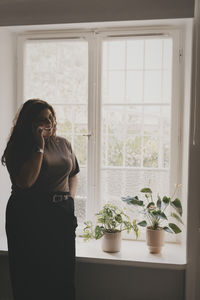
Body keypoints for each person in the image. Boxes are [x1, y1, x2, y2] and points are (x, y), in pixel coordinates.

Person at [1, 99, 80, 300]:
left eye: (51, 117)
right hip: (29, 215)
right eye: (43, 120)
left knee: (62, 275)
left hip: (61, 214)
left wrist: (67, 200)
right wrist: (39, 147)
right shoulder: (18, 147)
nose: (49, 123)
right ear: (29, 122)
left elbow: (73, 174)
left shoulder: (64, 143)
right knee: (31, 277)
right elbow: (26, 181)